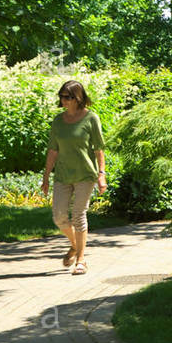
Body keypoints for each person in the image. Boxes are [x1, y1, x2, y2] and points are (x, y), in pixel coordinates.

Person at [41, 80, 106, 275]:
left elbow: (99, 149)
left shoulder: (91, 118)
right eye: (62, 97)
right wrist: (45, 177)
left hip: (85, 174)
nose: (64, 100)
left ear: (78, 98)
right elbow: (53, 150)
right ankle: (76, 245)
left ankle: (81, 260)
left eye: (68, 97)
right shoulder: (58, 121)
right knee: (59, 217)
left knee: (78, 215)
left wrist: (101, 174)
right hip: (62, 175)